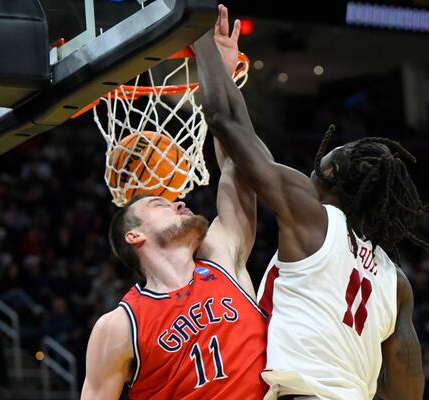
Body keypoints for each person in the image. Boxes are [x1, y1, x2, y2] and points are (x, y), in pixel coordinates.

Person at [194, 8, 429, 399]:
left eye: (319, 164)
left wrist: (199, 38)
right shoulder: (396, 282)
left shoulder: (315, 218)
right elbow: (408, 390)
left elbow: (224, 120)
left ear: (329, 179)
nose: (309, 172)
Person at [80, 6, 268, 400]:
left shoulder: (222, 259)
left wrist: (220, 73)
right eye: (158, 203)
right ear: (134, 235)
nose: (178, 201)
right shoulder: (119, 326)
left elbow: (238, 165)